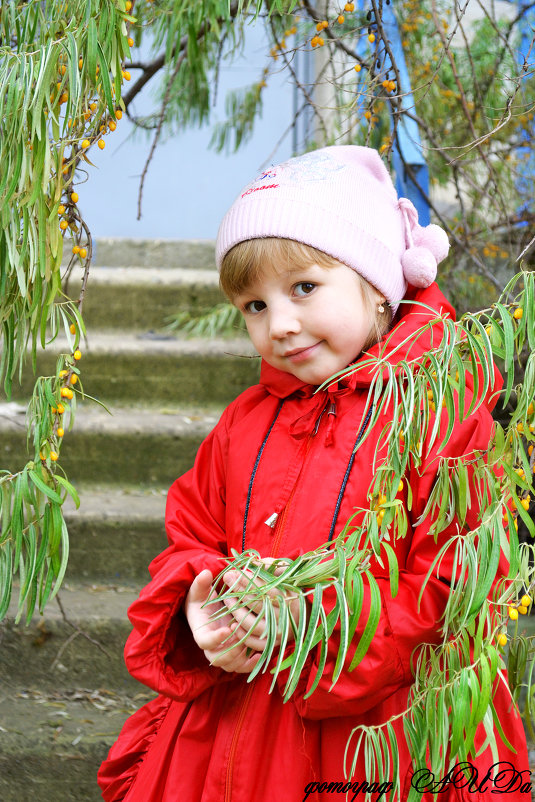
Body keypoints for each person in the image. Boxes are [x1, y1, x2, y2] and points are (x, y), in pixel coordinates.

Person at [98, 146, 530, 801]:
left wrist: (313, 634)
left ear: (377, 288)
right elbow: (192, 529)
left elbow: (456, 579)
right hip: (238, 716)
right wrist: (203, 602)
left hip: (376, 728)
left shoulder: (438, 414)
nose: (281, 324)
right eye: (253, 306)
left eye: (303, 288)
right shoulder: (244, 423)